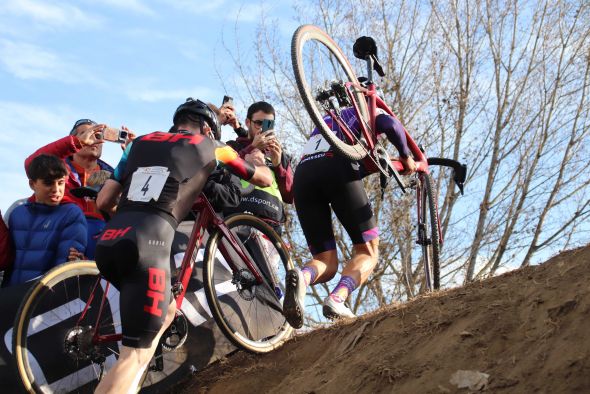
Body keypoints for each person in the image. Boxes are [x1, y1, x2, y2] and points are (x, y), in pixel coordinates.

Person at [93, 98, 273, 393]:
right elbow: (264, 180)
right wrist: (255, 162)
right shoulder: (215, 147)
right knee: (134, 355)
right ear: (206, 127)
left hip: (111, 242)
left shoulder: (136, 146)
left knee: (163, 318)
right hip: (149, 246)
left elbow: (103, 201)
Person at [283, 107, 417, 328]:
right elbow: (391, 125)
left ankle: (302, 277)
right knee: (368, 251)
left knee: (326, 260)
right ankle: (337, 298)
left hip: (303, 176)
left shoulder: (329, 119)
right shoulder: (363, 108)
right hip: (336, 168)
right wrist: (405, 155)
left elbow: (352, 165)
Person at [24, 119, 126, 258]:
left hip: (100, 256)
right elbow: (32, 164)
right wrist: (76, 143)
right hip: (56, 250)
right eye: (85, 133)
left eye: (98, 135)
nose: (92, 139)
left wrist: (133, 156)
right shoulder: (55, 171)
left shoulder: (114, 178)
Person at [3, 154, 87, 287]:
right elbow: (8, 259)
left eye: (60, 183)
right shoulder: (17, 214)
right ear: (32, 184)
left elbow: (63, 268)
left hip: (44, 298)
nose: (56, 189)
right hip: (10, 296)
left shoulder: (72, 214)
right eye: (48, 183)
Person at [224, 101, 294, 234]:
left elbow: (290, 196)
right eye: (258, 123)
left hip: (271, 224)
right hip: (236, 219)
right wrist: (252, 147)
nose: (262, 129)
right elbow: (224, 170)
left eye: (268, 125)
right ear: (247, 122)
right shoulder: (232, 146)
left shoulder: (279, 153)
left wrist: (278, 165)